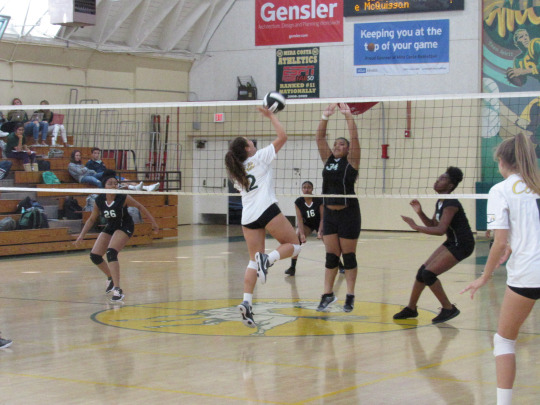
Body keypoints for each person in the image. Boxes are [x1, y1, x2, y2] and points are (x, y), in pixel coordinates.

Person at [461, 133, 540, 405]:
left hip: (529, 274)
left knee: (504, 341)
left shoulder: (501, 190)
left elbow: (499, 241)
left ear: (504, 162)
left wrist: (485, 275)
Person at [224, 107, 300, 328]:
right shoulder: (259, 158)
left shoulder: (235, 171)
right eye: (250, 142)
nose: (254, 144)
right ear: (248, 148)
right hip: (266, 209)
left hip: (248, 217)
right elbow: (283, 137)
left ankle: (247, 302)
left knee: (251, 260)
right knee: (294, 245)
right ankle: (268, 259)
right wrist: (271, 116)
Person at [395, 167, 475, 323]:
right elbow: (433, 224)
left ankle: (448, 308)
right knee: (422, 272)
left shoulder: (451, 203)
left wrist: (415, 226)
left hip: (463, 244)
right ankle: (411, 308)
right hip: (453, 241)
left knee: (429, 274)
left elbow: (440, 230)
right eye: (439, 177)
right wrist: (419, 212)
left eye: (443, 179)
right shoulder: (440, 201)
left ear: (451, 186)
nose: (438, 180)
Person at [74, 169, 159, 302]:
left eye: (115, 183)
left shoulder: (123, 197)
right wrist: (81, 235)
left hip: (125, 226)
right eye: (110, 183)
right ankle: (111, 278)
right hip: (112, 226)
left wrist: (153, 223)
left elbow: (140, 207)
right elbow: (91, 219)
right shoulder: (99, 200)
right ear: (104, 186)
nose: (113, 186)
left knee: (111, 252)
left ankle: (118, 289)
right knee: (95, 256)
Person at [315, 103, 361, 313]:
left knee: (348, 256)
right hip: (331, 214)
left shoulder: (351, 162)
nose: (337, 146)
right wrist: (325, 116)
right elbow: (319, 138)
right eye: (336, 144)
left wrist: (348, 117)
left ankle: (350, 295)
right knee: (331, 257)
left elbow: (355, 139)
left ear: (348, 149)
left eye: (342, 144)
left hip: (348, 213)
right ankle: (327, 294)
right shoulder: (328, 160)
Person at [285, 180, 323, 276]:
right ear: (302, 189)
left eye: (308, 187)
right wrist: (302, 234)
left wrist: (320, 231)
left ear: (312, 189)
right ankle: (292, 267)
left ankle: (340, 265)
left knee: (329, 241)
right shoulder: (298, 202)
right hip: (307, 225)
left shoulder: (318, 200)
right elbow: (300, 220)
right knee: (296, 238)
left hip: (320, 223)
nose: (306, 189)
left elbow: (323, 218)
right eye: (304, 187)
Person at [86, 147, 159, 191]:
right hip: (103, 179)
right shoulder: (89, 163)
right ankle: (143, 188)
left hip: (108, 176)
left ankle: (146, 187)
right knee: (120, 182)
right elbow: (91, 174)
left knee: (126, 180)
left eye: (98, 153)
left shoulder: (101, 162)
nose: (97, 155)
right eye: (95, 153)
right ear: (92, 154)